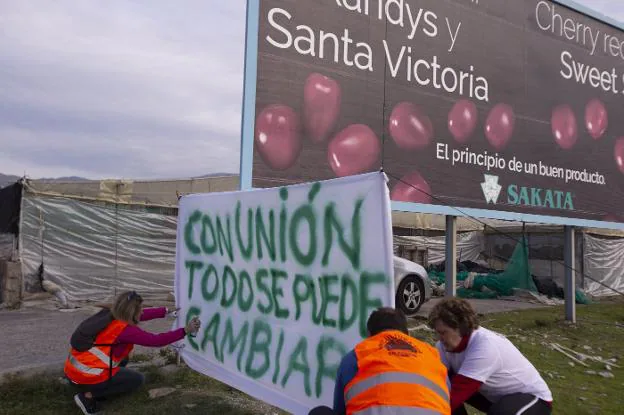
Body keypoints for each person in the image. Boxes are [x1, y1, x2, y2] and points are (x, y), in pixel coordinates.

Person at [64, 290, 201, 414]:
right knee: (137, 380)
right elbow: (156, 340)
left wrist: (165, 311)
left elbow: (140, 316)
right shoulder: (125, 331)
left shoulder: (109, 314)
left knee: (123, 358)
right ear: (132, 312)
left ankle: (87, 384)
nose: (142, 311)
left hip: (74, 369)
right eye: (140, 309)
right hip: (86, 374)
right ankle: (87, 397)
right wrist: (184, 331)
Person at [310, 307, 451, 415]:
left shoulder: (357, 357)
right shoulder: (433, 357)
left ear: (369, 335)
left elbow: (341, 410)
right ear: (407, 334)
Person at [427, 297, 553, 415]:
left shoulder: (484, 345)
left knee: (499, 412)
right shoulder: (443, 346)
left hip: (533, 399)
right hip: (493, 397)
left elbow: (459, 392)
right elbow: (437, 386)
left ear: (460, 327)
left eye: (443, 333)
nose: (439, 338)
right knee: (442, 389)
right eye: (437, 333)